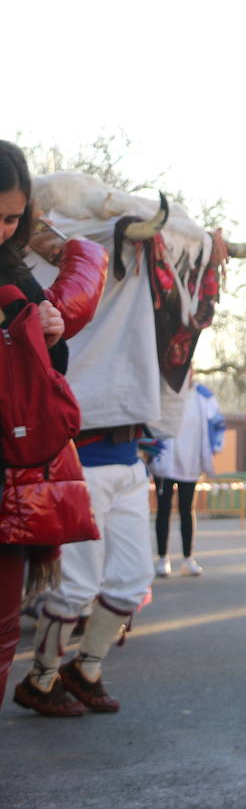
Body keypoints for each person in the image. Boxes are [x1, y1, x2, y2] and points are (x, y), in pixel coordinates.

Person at [0, 140, 106, 716]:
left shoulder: (14, 271)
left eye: (11, 218)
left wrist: (51, 331)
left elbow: (47, 378)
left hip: (12, 483)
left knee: (1, 630)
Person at [150, 375, 224, 578]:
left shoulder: (204, 396)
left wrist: (213, 449)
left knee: (186, 509)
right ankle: (162, 559)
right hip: (165, 462)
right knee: (163, 510)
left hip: (191, 463)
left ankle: (187, 558)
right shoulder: (162, 391)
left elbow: (218, 424)